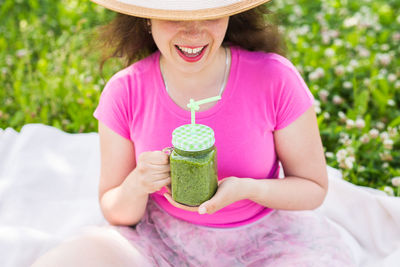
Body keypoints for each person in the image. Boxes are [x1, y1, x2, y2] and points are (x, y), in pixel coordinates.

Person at [33, 0, 356, 266]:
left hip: (266, 242)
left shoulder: (274, 78)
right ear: (148, 19)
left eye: (210, 15)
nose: (193, 32)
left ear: (231, 13)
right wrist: (138, 183)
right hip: (161, 238)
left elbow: (312, 189)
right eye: (174, 17)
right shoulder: (125, 90)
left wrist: (245, 189)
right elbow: (116, 211)